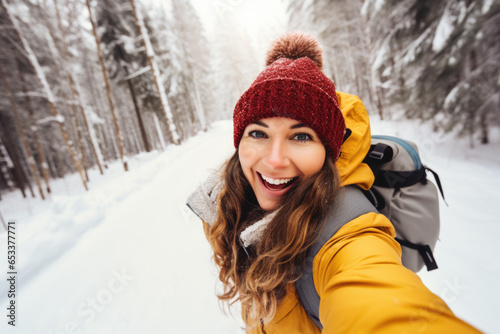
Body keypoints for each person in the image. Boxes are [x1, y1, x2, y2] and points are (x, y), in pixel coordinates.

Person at [187, 32, 481, 333]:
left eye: (301, 136)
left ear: (329, 152)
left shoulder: (349, 232)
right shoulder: (238, 205)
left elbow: (379, 299)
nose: (274, 160)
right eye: (258, 134)